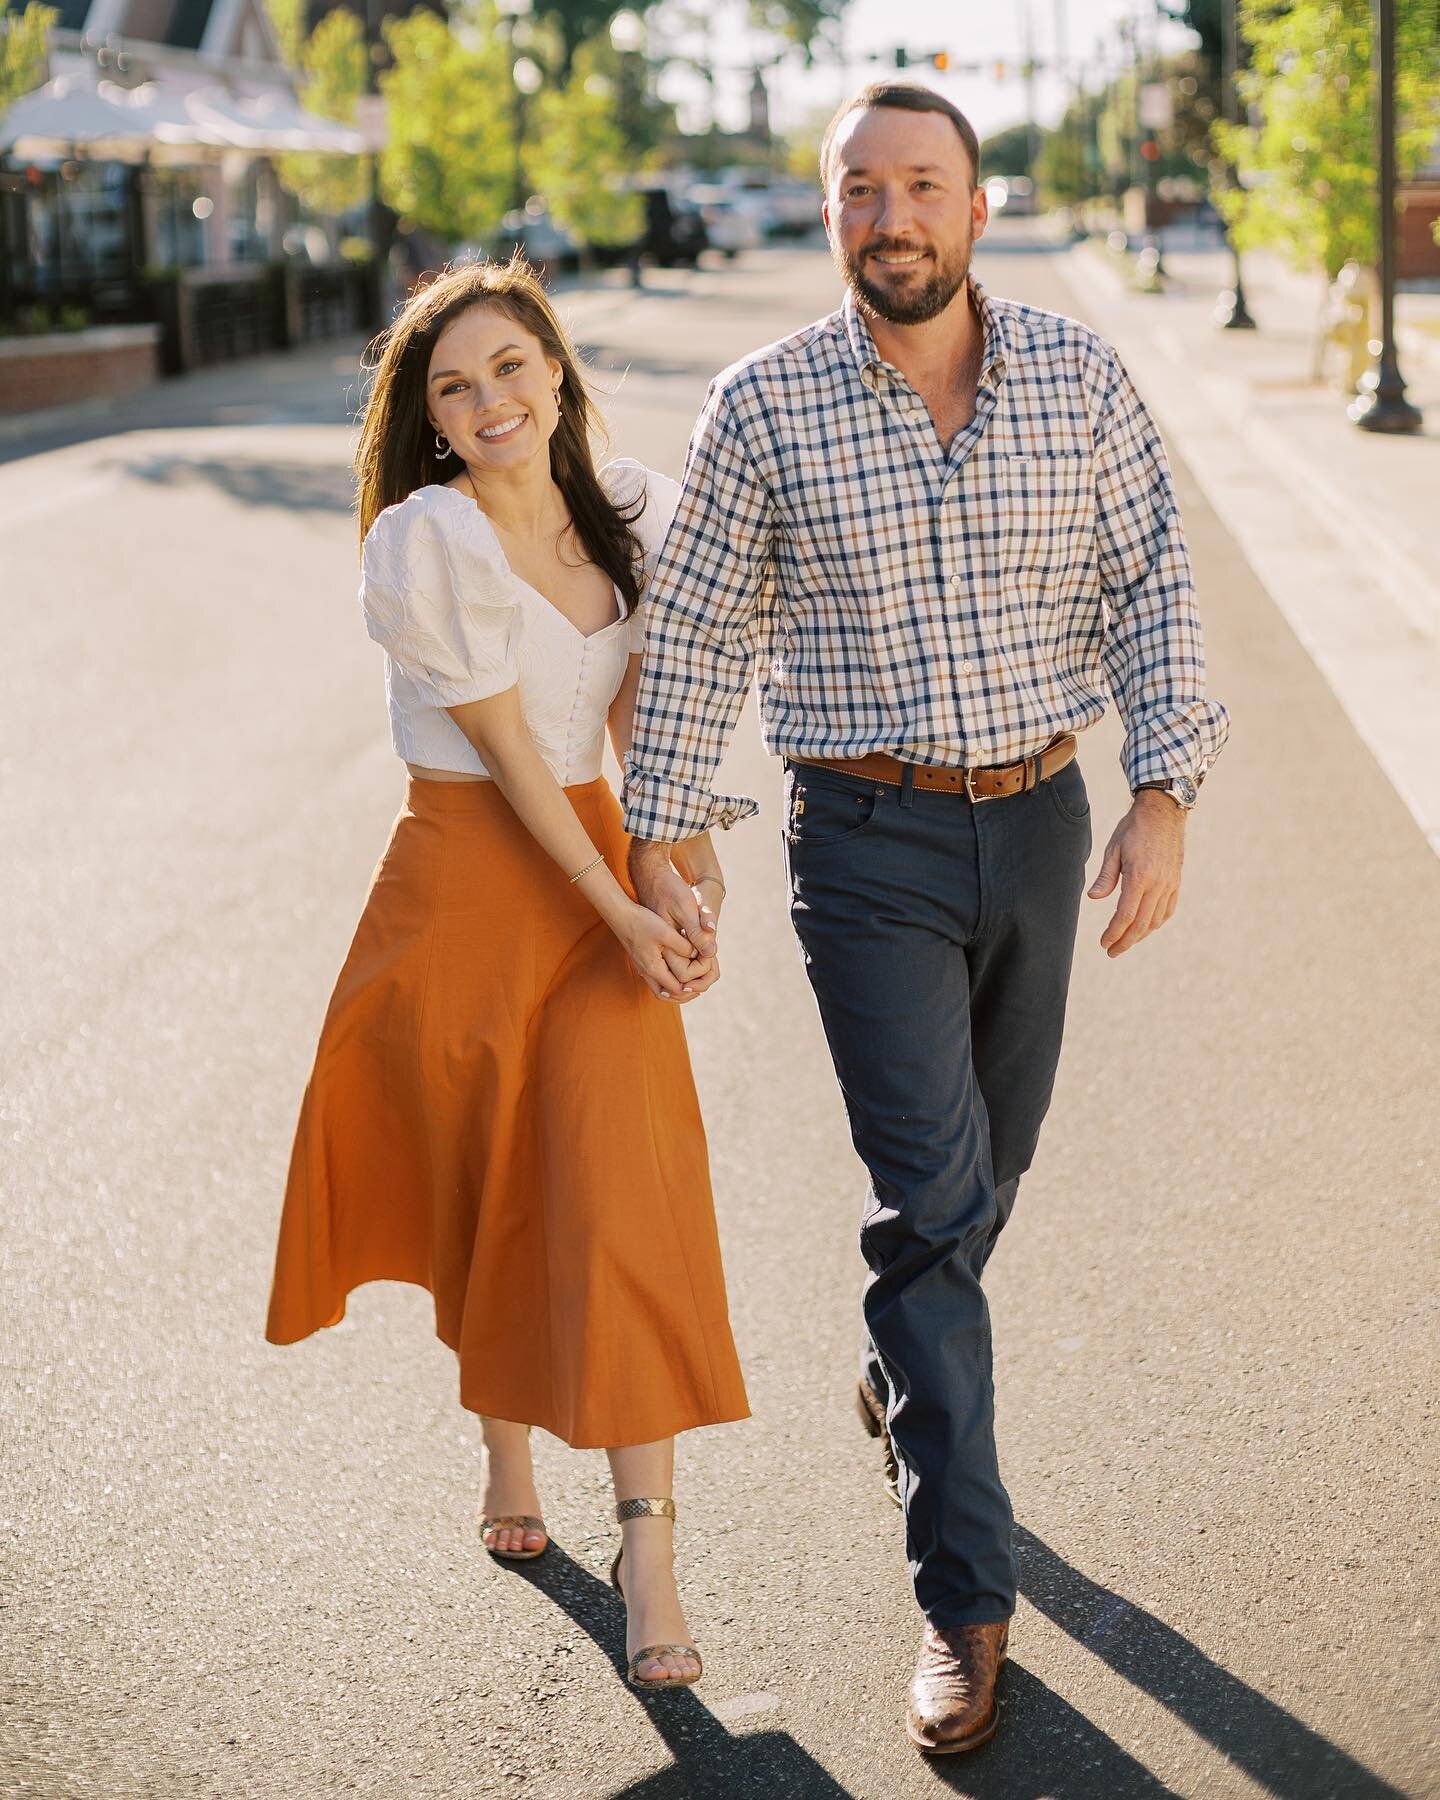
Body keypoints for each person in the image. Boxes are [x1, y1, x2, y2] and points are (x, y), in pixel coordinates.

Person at [621, 84, 1229, 1751]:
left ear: (972, 208)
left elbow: (1153, 584)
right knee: (931, 1189)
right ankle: (965, 1595)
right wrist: (662, 842)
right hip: (867, 834)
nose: (893, 216)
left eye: (923, 186)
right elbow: (696, 646)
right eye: (862, 190)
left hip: (1039, 819)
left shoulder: (1080, 381)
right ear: (834, 216)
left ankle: (907, 1377)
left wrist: (1165, 790)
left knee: (983, 1181)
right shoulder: (763, 406)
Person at [266, 258, 748, 1692]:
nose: (488, 401)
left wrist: (683, 866)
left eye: (508, 366)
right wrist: (614, 902)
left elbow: (645, 726)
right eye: (453, 386)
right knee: (490, 1187)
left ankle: (648, 1543)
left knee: (618, 1190)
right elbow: (518, 759)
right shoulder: (427, 540)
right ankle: (504, 1441)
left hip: (600, 867)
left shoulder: (637, 509)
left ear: (555, 363)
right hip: (474, 877)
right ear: (427, 418)